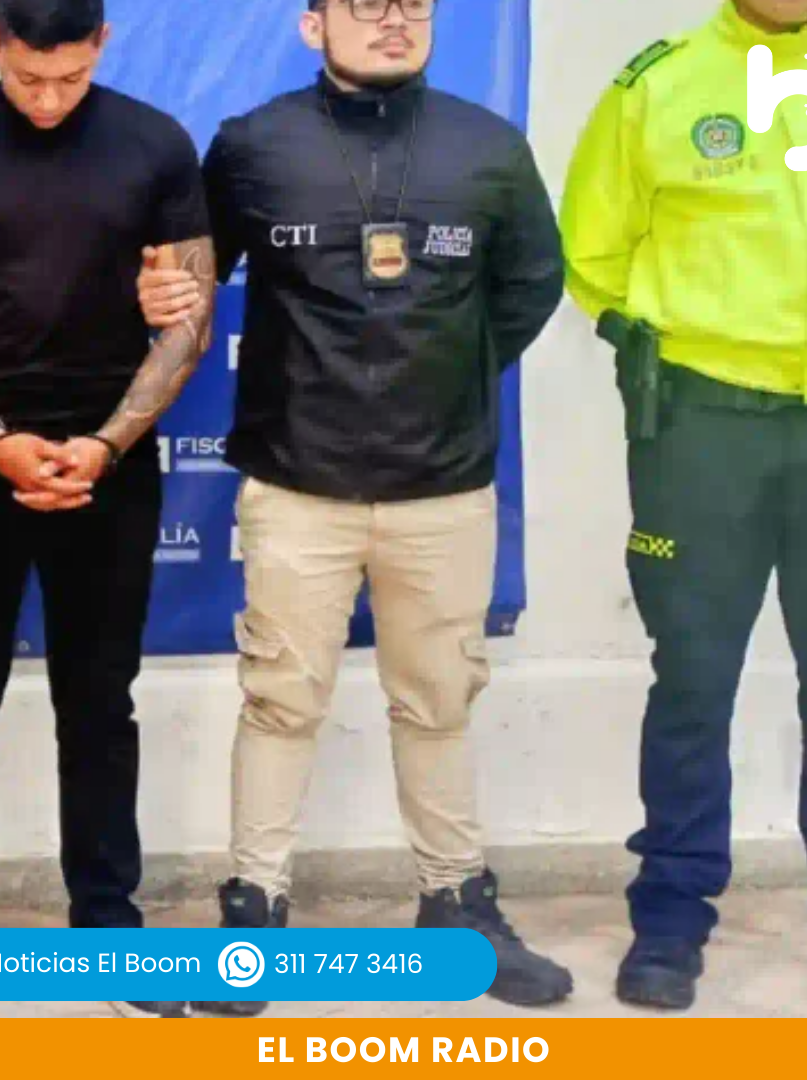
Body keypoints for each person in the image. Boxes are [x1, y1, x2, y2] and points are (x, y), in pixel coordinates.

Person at [139, 0, 572, 1013]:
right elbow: (192, 286)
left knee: (438, 704)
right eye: (366, 3)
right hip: (300, 486)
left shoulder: (489, 146)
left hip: (443, 489)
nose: (394, 19)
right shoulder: (253, 146)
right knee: (280, 704)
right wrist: (160, 294)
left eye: (412, 2)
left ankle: (456, 905)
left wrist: (441, 377)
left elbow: (531, 288)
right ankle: (254, 915)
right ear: (312, 25)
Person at [0, 0, 214, 1020]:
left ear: (100, 46)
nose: (48, 98)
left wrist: (106, 445)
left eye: (69, 77)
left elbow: (188, 322)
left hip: (109, 461)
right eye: (28, 77)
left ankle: (110, 930)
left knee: (100, 702)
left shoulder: (156, 145)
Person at [560, 0, 807, 1009]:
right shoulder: (658, 85)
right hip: (702, 429)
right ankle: (670, 917)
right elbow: (591, 249)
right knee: (694, 681)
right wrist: (666, 345)